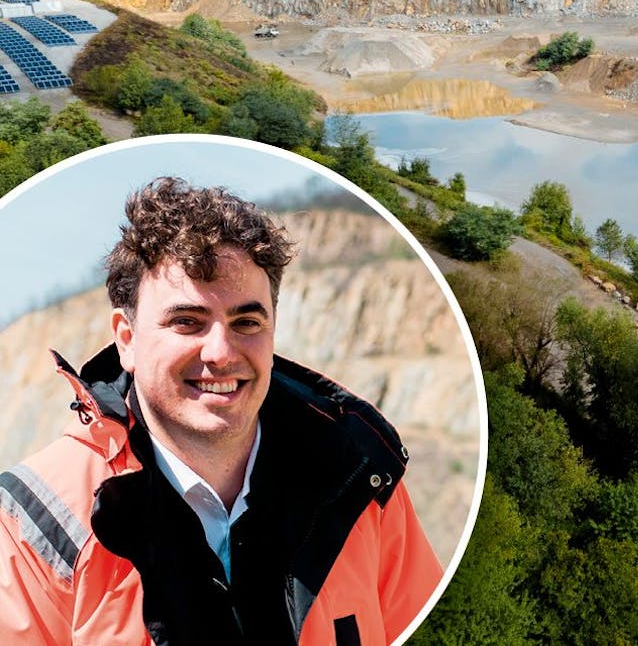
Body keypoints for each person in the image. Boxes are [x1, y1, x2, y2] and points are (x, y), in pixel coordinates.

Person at [0, 178, 442, 645]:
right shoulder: (34, 522)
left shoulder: (358, 479)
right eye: (186, 322)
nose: (221, 352)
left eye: (246, 322)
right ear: (125, 340)